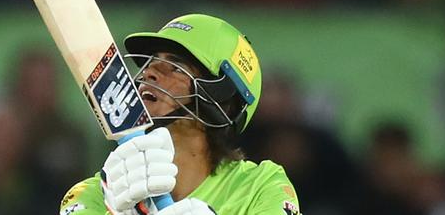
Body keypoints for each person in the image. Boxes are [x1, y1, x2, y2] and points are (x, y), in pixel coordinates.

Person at [59, 14, 300, 214]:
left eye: (176, 66)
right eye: (151, 62)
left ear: (223, 100)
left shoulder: (259, 187)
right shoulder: (93, 195)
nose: (149, 73)